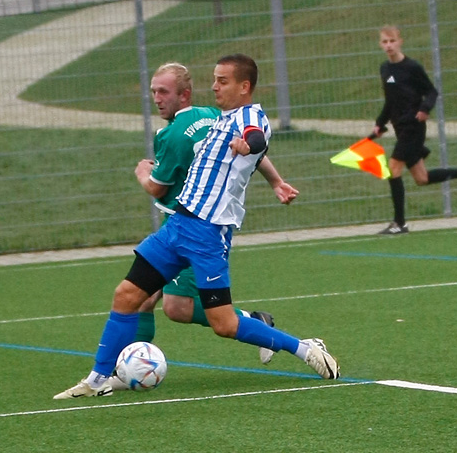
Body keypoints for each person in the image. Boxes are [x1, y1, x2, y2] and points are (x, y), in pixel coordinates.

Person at [54, 54, 338, 400]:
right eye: (214, 79)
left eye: (223, 81)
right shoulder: (218, 118)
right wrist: (276, 181)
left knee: (225, 324)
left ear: (244, 86)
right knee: (127, 296)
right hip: (178, 225)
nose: (214, 86)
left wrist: (248, 145)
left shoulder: (250, 118)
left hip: (207, 234)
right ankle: (98, 379)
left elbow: (256, 140)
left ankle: (302, 347)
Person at [128, 62, 298, 372]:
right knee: (151, 301)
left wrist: (141, 173)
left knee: (172, 306)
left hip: (192, 225)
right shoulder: (212, 116)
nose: (156, 98)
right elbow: (249, 148)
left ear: (184, 94)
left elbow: (156, 187)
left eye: (163, 91)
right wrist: (275, 180)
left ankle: (256, 324)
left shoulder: (171, 134)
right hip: (187, 222)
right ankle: (129, 367)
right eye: (153, 91)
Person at [370, 25, 457, 235]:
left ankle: (399, 223)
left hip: (413, 128)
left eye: (392, 41)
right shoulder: (385, 70)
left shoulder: (412, 67)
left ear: (400, 42)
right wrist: (380, 123)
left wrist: (425, 108)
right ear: (380, 44)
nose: (388, 45)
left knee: (393, 168)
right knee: (421, 178)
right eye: (384, 42)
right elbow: (391, 100)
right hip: (400, 127)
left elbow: (431, 92)